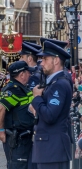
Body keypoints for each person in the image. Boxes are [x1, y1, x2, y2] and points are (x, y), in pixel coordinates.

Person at [30, 41, 72, 169]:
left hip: (52, 149)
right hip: (49, 150)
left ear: (56, 61)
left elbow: (50, 115)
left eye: (45, 59)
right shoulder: (54, 82)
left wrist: (36, 98)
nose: (41, 63)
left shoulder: (59, 84)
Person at [0, 61, 35, 169]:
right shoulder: (13, 89)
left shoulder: (21, 88)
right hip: (17, 139)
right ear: (21, 74)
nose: (30, 75)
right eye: (27, 72)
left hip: (24, 138)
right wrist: (0, 131)